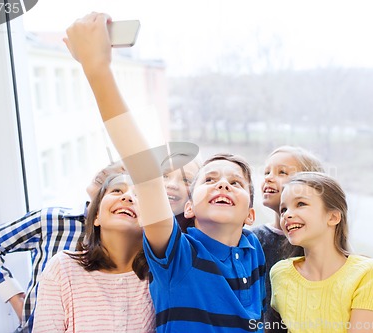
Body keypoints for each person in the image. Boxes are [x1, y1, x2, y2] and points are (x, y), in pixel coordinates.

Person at [64, 12, 266, 332]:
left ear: (251, 215)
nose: (223, 185)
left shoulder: (254, 249)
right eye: (210, 180)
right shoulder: (177, 255)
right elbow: (142, 168)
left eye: (236, 182)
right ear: (189, 207)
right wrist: (96, 68)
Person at [0, 161, 125, 333]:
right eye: (111, 163)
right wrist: (16, 299)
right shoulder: (51, 220)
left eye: (120, 173)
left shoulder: (129, 240)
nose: (106, 170)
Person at [270, 172, 373, 333]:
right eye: (283, 209)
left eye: (301, 204)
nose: (287, 214)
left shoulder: (367, 273)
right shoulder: (280, 274)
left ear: (333, 217)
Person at [33, 173, 155, 333]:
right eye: (117, 190)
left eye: (139, 195)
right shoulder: (62, 268)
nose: (127, 197)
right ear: (96, 215)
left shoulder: (158, 276)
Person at [250, 145, 324, 329]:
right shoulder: (252, 240)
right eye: (266, 172)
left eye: (281, 172)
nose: (268, 177)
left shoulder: (323, 243)